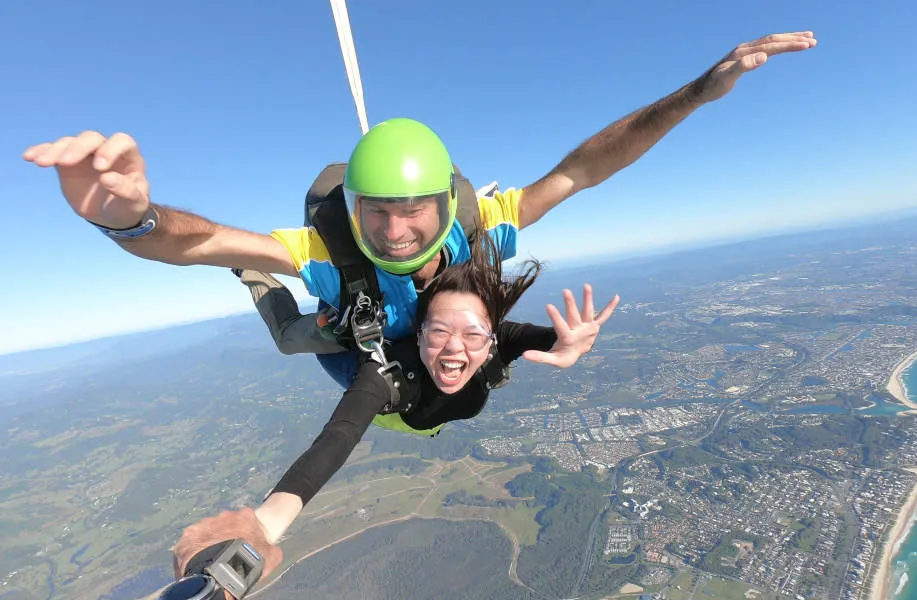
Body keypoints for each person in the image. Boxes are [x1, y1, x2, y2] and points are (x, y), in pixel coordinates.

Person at [21, 32, 817, 388]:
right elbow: (187, 243)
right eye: (377, 216)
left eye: (415, 215)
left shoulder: (485, 221)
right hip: (350, 336)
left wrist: (696, 94)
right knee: (295, 332)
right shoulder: (329, 249)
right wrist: (128, 218)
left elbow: (581, 169)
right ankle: (260, 285)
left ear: (447, 206)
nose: (397, 232)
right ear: (355, 209)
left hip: (423, 335)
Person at [171, 230, 619, 585]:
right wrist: (264, 525)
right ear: (418, 333)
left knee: (461, 341)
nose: (454, 351)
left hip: (429, 367)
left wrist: (568, 342)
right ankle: (255, 272)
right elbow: (337, 438)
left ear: (491, 337)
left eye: (474, 336)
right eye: (439, 332)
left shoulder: (495, 342)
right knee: (296, 336)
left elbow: (542, 338)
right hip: (353, 360)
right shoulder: (387, 376)